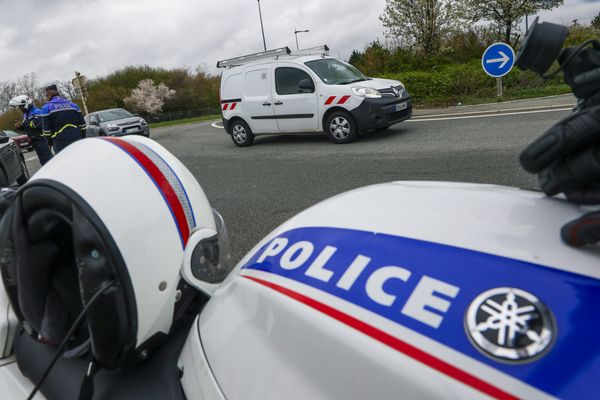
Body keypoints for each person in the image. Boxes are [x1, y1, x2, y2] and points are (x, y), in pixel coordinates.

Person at [39, 84, 86, 153]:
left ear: (49, 94)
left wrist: (49, 143)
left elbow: (46, 131)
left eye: (46, 96)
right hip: (77, 138)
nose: (47, 98)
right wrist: (82, 137)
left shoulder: (47, 108)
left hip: (60, 142)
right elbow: (83, 125)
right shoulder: (73, 105)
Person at [8, 95, 53, 166]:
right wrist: (20, 127)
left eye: (21, 106)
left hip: (41, 139)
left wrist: (24, 123)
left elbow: (36, 124)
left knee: (48, 159)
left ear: (26, 104)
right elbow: (28, 127)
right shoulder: (26, 114)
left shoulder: (37, 112)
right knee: (42, 160)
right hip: (34, 140)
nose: (20, 108)